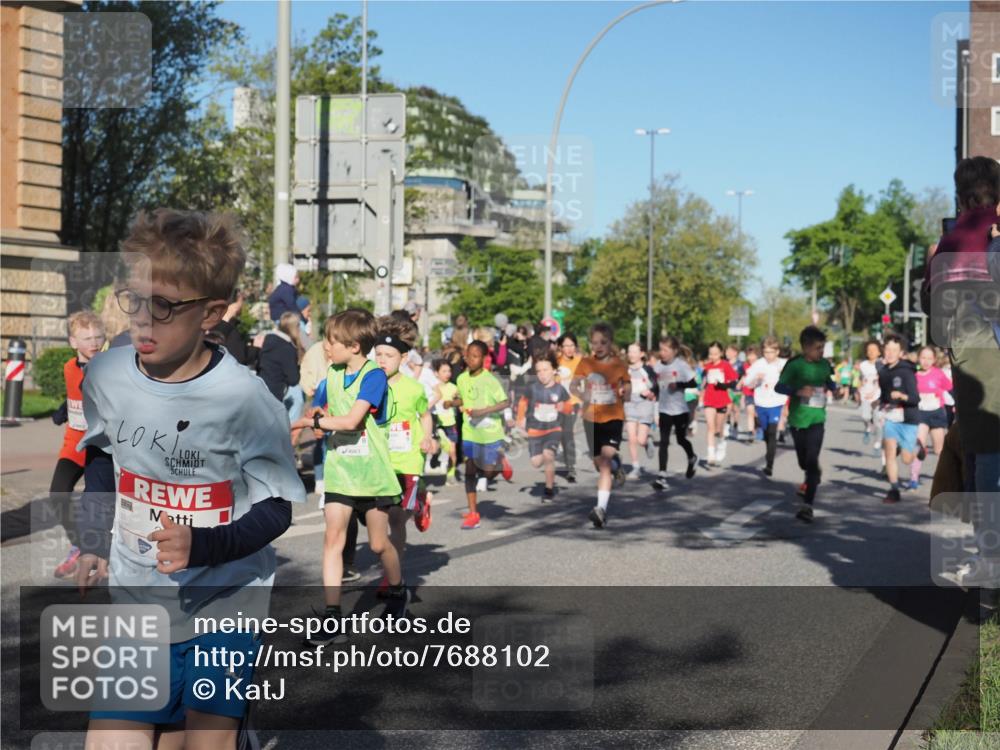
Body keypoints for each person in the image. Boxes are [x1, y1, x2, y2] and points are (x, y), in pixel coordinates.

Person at [75, 209, 305, 745]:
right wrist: (93, 537)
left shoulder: (245, 398)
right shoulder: (108, 374)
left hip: (224, 607)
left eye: (164, 307)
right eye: (133, 300)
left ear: (212, 313)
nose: (142, 322)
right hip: (137, 604)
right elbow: (104, 457)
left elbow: (277, 508)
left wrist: (203, 545)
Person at [291, 309, 408, 644]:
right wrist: (316, 414)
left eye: (332, 341)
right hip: (340, 470)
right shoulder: (332, 374)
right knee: (333, 539)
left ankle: (398, 591)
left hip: (371, 473)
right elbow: (325, 410)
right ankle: (331, 618)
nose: (326, 347)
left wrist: (308, 424)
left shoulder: (374, 376)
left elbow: (352, 421)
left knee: (377, 543)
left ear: (355, 346)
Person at [922, 157, 1000, 584]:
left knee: (985, 449)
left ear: (964, 194)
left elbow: (934, 313)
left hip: (973, 347)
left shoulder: (952, 241)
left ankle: (990, 555)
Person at [374, 315, 436, 589]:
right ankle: (420, 499)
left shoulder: (414, 388)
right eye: (378, 354)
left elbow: (424, 416)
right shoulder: (371, 385)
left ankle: (392, 573)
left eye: (389, 355)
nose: (382, 360)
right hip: (380, 461)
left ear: (403, 357)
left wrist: (427, 437)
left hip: (408, 460)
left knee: (398, 519)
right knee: (380, 518)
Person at [48, 310, 106, 578]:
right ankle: (79, 547)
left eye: (98, 337)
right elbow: (75, 393)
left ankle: (105, 551)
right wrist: (63, 409)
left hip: (101, 447)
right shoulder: (68, 367)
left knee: (98, 502)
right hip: (74, 443)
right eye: (87, 338)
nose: (94, 343)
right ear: (73, 342)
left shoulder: (107, 367)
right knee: (58, 494)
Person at [572, 323, 630, 529]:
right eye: (595, 342)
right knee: (599, 464)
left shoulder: (618, 365)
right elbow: (573, 385)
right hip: (591, 419)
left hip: (613, 417)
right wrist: (581, 394)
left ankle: (600, 509)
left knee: (604, 461)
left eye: (603, 342)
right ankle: (617, 466)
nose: (599, 346)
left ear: (610, 343)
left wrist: (626, 393)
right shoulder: (585, 363)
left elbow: (627, 386)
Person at [775, 326, 834, 522]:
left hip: (817, 419)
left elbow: (830, 381)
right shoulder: (794, 365)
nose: (821, 352)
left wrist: (835, 388)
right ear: (806, 347)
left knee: (811, 462)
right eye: (818, 348)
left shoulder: (824, 365)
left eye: (823, 348)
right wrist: (798, 391)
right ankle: (812, 473)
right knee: (804, 462)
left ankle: (807, 505)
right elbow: (779, 386)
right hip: (798, 420)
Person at [455, 340, 512, 529]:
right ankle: (473, 513)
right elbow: (463, 397)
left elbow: (505, 402)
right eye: (468, 355)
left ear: (484, 358)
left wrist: (484, 411)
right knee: (470, 471)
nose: (470, 359)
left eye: (475, 356)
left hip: (489, 433)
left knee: (488, 472)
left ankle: (500, 463)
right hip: (470, 432)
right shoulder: (462, 378)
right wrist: (454, 402)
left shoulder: (490, 380)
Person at [516, 351, 572, 501]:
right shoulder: (532, 388)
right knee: (536, 462)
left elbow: (569, 407)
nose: (542, 374)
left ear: (554, 370)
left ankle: (549, 489)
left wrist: (563, 408)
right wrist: (520, 419)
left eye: (545, 370)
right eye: (538, 371)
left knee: (548, 455)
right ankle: (548, 460)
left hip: (554, 429)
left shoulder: (560, 389)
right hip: (535, 430)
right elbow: (523, 402)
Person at [877, 333, 923, 505]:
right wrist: (879, 402)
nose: (889, 353)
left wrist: (903, 396)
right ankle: (894, 489)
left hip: (908, 417)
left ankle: (917, 448)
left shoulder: (906, 372)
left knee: (906, 459)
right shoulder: (882, 372)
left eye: (893, 350)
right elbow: (884, 395)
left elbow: (915, 398)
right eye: (887, 349)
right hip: (891, 417)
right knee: (889, 452)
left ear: (900, 353)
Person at [652, 336, 698, 491]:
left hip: (680, 410)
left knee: (680, 439)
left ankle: (692, 457)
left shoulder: (681, 366)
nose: (662, 353)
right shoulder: (658, 366)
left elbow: (694, 383)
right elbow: (656, 386)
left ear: (674, 351)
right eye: (661, 349)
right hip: (664, 409)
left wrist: (678, 384)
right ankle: (662, 476)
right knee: (663, 442)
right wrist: (652, 393)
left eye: (665, 350)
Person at [259, 311, 306, 447]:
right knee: (297, 400)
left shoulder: (269, 341)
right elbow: (293, 379)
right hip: (277, 391)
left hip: (263, 387)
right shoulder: (287, 348)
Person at [743, 336, 787, 477]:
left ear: (777, 352)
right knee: (767, 434)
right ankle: (769, 453)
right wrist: (756, 378)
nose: (768, 355)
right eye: (766, 352)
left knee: (773, 432)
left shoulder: (783, 364)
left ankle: (769, 464)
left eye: (771, 352)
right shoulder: (758, 364)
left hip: (776, 402)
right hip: (761, 403)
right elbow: (747, 383)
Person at [911, 345, 952, 489]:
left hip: (937, 414)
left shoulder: (939, 374)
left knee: (939, 450)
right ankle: (914, 478)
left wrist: (957, 404)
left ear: (934, 359)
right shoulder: (914, 376)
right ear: (918, 358)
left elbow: (950, 388)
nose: (926, 361)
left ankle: (943, 478)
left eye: (929, 358)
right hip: (921, 414)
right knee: (919, 446)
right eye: (923, 358)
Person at [623, 342, 658, 478]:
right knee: (631, 438)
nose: (631, 354)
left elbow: (656, 386)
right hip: (630, 404)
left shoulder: (648, 369)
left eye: (634, 352)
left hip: (645, 405)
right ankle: (635, 467)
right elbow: (621, 384)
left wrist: (650, 392)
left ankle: (647, 442)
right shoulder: (625, 369)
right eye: (629, 351)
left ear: (642, 354)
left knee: (640, 440)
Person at [702, 342, 739, 466]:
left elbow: (734, 382)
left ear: (721, 353)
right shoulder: (707, 367)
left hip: (722, 399)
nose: (713, 356)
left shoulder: (726, 365)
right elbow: (703, 382)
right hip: (709, 399)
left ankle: (722, 443)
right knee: (710, 427)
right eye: (711, 354)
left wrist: (723, 385)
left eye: (715, 354)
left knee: (718, 429)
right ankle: (711, 454)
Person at [556, 333, 583, 483]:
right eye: (566, 345)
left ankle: (570, 467)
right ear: (561, 347)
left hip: (573, 402)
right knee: (560, 434)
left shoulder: (579, 361)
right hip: (556, 403)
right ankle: (567, 461)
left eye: (572, 345)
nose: (569, 349)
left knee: (568, 433)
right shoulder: (555, 361)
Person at [428, 358, 460, 485]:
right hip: (437, 423)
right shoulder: (432, 387)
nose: (447, 374)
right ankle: (436, 455)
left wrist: (454, 402)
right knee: (440, 445)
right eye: (444, 371)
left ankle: (451, 475)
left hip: (450, 423)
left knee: (452, 451)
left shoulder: (454, 387)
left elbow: (460, 402)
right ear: (436, 373)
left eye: (449, 371)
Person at [857, 340, 883, 454]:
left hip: (878, 396)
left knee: (878, 421)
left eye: (874, 350)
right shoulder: (863, 365)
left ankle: (877, 443)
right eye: (869, 350)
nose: (871, 352)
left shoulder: (882, 364)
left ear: (879, 352)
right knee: (865, 416)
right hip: (865, 395)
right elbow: (860, 379)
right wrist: (858, 390)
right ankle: (868, 427)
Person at [724, 343, 744, 440]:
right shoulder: (724, 363)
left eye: (729, 351)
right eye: (726, 351)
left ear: (735, 353)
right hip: (727, 389)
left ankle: (735, 426)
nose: (727, 353)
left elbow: (743, 375)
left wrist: (740, 384)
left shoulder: (740, 364)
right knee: (727, 409)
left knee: (735, 409)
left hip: (737, 390)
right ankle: (727, 426)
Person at [742, 345, 759, 441]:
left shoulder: (761, 365)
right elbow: (742, 376)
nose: (751, 358)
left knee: (757, 414)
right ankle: (750, 432)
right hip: (748, 392)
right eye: (749, 355)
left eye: (753, 355)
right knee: (750, 412)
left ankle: (756, 426)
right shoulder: (745, 366)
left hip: (760, 394)